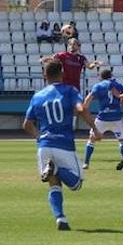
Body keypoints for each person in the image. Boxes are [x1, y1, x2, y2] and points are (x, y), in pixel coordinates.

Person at [22, 59, 101, 231]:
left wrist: (38, 137)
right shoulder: (70, 91)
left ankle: (61, 219)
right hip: (63, 144)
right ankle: (56, 169)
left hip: (44, 145)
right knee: (76, 184)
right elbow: (81, 109)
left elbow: (27, 124)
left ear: (45, 76)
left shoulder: (38, 96)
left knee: (54, 183)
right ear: (62, 74)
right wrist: (95, 128)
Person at [82, 69, 123, 170]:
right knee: (122, 141)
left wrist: (84, 109)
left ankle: (86, 163)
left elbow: (87, 100)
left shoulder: (98, 86)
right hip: (116, 117)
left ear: (101, 77)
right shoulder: (117, 84)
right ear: (110, 75)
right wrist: (122, 102)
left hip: (102, 117)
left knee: (91, 140)